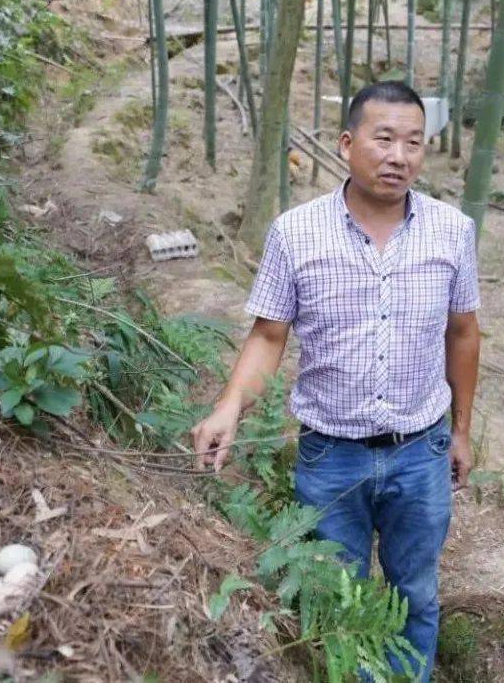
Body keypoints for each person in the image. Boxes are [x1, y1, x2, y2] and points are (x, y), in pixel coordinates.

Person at [191, 81, 481, 681]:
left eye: (413, 143)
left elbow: (463, 333)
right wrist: (229, 409)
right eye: (383, 139)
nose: (399, 156)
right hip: (330, 457)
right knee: (333, 600)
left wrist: (463, 430)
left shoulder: (453, 231)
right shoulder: (295, 233)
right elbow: (269, 337)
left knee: (416, 595)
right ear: (347, 144)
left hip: (419, 452)